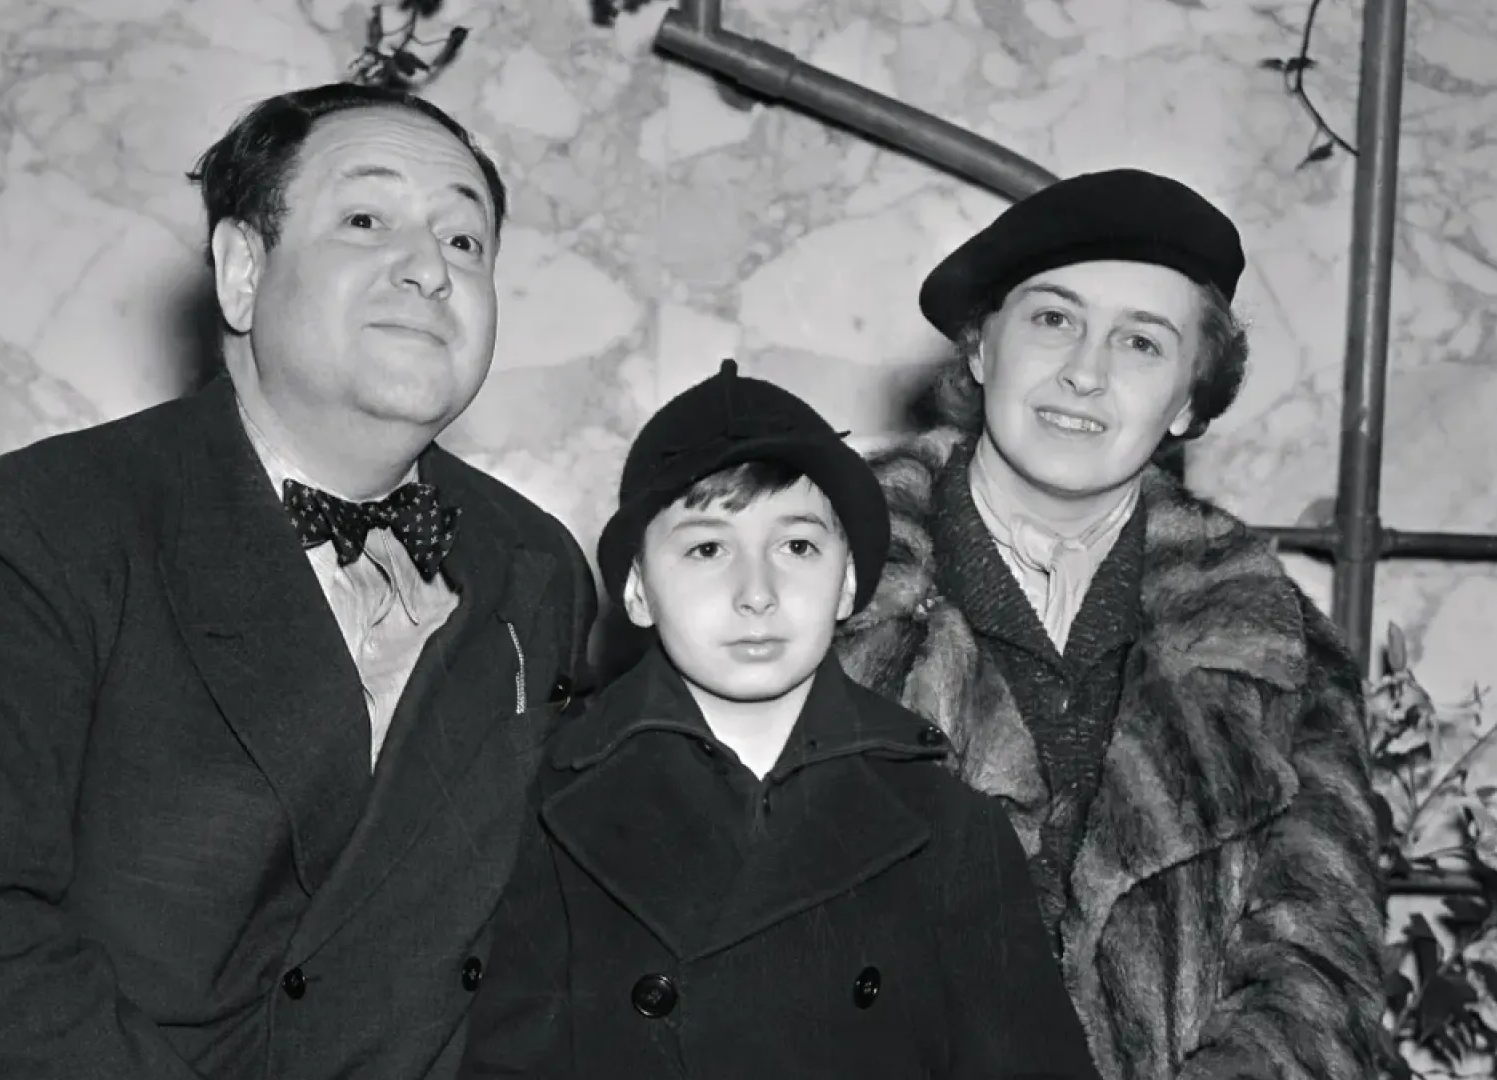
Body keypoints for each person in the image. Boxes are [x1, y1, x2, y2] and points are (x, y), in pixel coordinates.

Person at [0, 82, 596, 1080]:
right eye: (367, 220)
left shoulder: (538, 564)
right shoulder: (36, 530)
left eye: (465, 242)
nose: (427, 270)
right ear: (243, 271)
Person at [835, 169, 1389, 1080]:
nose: (1085, 372)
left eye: (1141, 342)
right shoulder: (813, 585)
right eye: (1053, 319)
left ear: (1188, 403)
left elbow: (1318, 973)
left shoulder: (1282, 650)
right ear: (980, 349)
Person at [458, 359, 1101, 1080]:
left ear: (848, 582)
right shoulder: (543, 803)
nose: (756, 592)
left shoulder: (951, 828)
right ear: (638, 591)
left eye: (796, 546)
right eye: (707, 548)